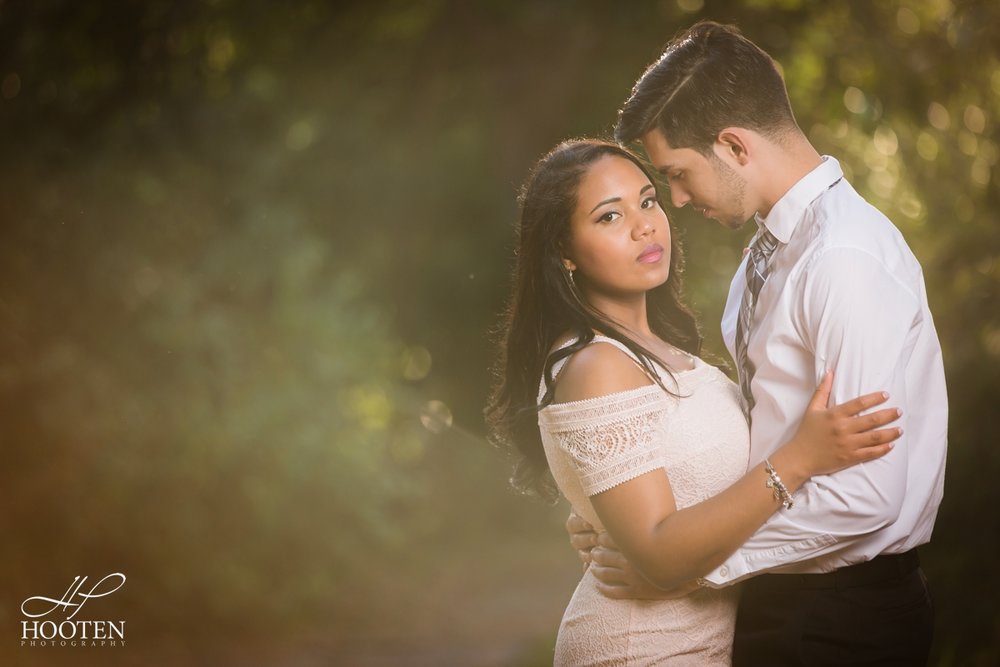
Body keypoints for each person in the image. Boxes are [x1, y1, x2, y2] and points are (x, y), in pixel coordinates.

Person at [568, 21, 948, 665]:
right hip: (784, 604)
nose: (678, 201)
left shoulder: (841, 260)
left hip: (842, 621)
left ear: (735, 146)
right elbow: (765, 436)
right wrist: (636, 521)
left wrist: (687, 566)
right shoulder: (769, 252)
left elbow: (867, 497)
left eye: (678, 175)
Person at [486, 138, 903, 665]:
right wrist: (800, 458)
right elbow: (660, 552)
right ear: (564, 251)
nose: (644, 226)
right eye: (610, 217)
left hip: (705, 640)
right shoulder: (596, 365)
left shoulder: (659, 348)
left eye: (647, 201)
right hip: (642, 648)